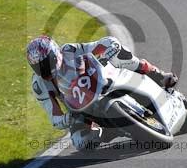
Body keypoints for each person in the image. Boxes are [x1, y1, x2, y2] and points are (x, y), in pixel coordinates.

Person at [26, 35, 177, 150]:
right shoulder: (39, 85)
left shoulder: (69, 51)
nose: (45, 70)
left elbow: (97, 46)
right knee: (81, 142)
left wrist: (111, 46)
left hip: (100, 81)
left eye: (46, 63)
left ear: (55, 54)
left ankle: (158, 75)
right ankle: (107, 132)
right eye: (39, 67)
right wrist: (68, 118)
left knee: (121, 56)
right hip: (80, 110)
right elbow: (55, 117)